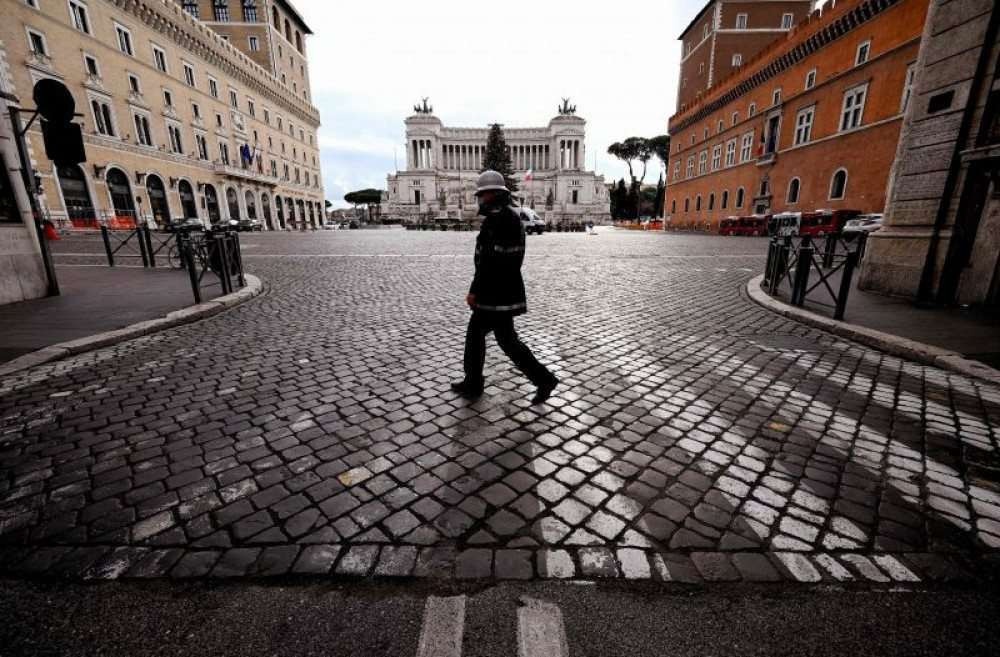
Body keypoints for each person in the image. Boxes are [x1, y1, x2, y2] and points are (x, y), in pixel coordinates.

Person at [451, 170, 558, 404]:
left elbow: (489, 262)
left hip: (494, 293)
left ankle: (474, 383)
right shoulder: (505, 217)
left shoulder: (500, 220)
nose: (479, 199)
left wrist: (474, 290)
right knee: (506, 341)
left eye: (482, 194)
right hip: (503, 291)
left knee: (480, 336)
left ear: (492, 195)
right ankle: (543, 379)